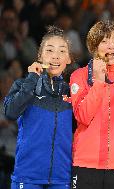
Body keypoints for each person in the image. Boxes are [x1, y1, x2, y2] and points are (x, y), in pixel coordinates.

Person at [69, 20, 114, 189]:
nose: (111, 46)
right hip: (86, 163)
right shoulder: (78, 76)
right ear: (94, 47)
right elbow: (83, 116)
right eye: (104, 41)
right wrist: (99, 82)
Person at [4, 26, 73, 189]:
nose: (56, 56)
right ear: (40, 56)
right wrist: (31, 80)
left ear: (68, 59)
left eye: (62, 51)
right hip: (27, 178)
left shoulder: (72, 91)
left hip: (62, 178)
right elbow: (10, 113)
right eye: (49, 50)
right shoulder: (23, 85)